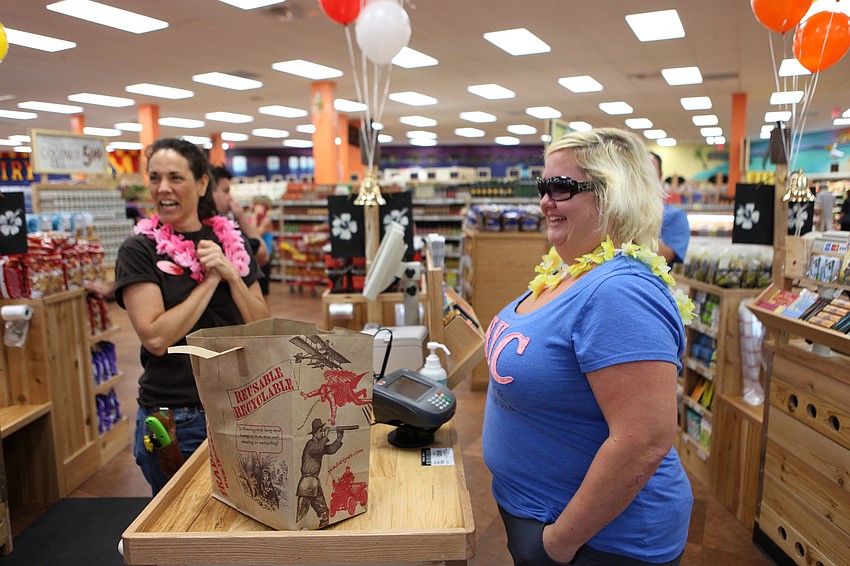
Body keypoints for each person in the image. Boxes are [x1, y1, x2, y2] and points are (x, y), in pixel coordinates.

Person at [483, 128, 693, 566]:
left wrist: (558, 544)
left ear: (613, 194)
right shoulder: (569, 269)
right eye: (543, 187)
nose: (545, 202)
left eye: (561, 187)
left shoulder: (621, 292)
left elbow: (644, 439)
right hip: (538, 515)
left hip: (602, 542)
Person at [114, 138, 270, 495]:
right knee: (179, 521)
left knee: (244, 511)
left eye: (175, 178)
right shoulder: (139, 250)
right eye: (155, 178)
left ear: (201, 184)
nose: (163, 188)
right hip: (177, 417)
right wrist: (210, 281)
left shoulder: (231, 241)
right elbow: (156, 337)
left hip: (241, 406)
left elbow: (263, 326)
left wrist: (231, 276)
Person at [210, 165, 270, 270]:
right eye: (226, 191)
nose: (230, 198)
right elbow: (263, 256)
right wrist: (242, 218)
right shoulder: (220, 230)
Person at [296, 418, 344, 528]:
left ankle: (324, 530)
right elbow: (318, 449)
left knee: (324, 512)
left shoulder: (319, 445)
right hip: (307, 483)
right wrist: (326, 437)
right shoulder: (311, 445)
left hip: (314, 483)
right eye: (321, 431)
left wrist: (339, 439)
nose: (322, 433)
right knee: (301, 513)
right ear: (316, 432)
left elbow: (331, 450)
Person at [649, 152, 690, 265]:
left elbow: (665, 256)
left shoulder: (675, 216)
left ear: (660, 175)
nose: (643, 173)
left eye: (650, 168)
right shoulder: (616, 209)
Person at [252, 195, 275, 296]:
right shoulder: (255, 220)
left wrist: (255, 215)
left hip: (263, 260)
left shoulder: (266, 221)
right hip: (255, 259)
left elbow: (253, 235)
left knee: (263, 292)